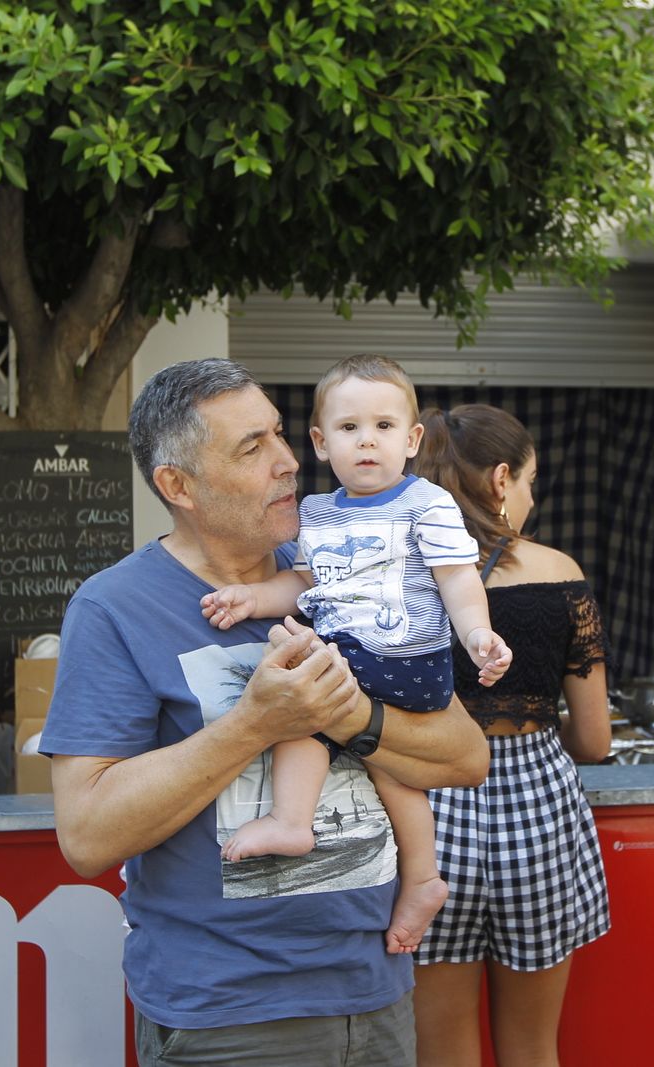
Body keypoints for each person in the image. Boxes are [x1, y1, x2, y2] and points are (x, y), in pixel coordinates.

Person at [41, 358, 488, 1067]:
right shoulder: (114, 607)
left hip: (376, 993)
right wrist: (255, 722)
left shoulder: (336, 567)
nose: (287, 461)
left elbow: (466, 757)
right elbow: (88, 835)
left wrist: (347, 715)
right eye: (252, 447)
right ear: (176, 485)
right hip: (229, 1017)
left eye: (280, 434)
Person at [199, 355, 511, 954]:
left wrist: (477, 635)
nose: (367, 441)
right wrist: (252, 598)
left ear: (413, 439)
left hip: (409, 659)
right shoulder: (315, 516)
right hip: (359, 657)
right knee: (390, 767)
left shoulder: (426, 504)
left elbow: (458, 580)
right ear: (320, 442)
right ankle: (423, 878)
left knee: (302, 691)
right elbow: (303, 587)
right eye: (348, 429)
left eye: (385, 427)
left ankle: (293, 822)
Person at [408, 403, 614, 1067]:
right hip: (537, 816)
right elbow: (595, 740)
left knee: (441, 1052)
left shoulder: (402, 575)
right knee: (532, 1048)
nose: (530, 495)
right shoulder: (559, 574)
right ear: (501, 479)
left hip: (428, 820)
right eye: (529, 481)